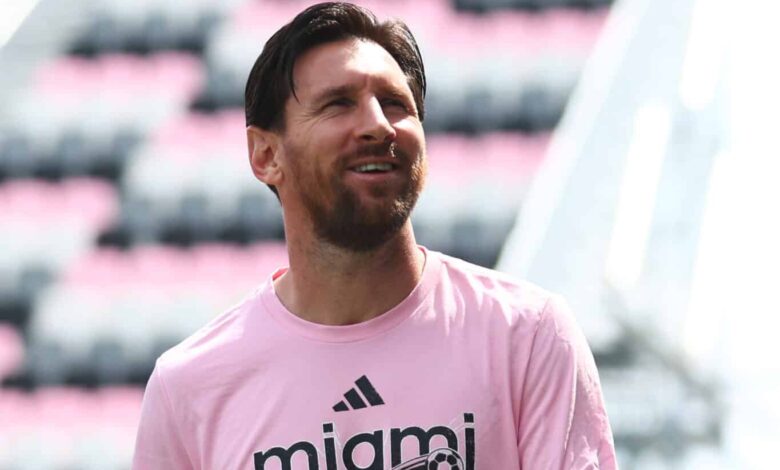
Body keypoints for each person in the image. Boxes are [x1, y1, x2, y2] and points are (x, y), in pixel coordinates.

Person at [132, 2, 618, 469]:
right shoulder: (190, 388)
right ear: (265, 155)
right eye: (338, 104)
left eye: (395, 104)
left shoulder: (526, 334)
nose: (379, 125)